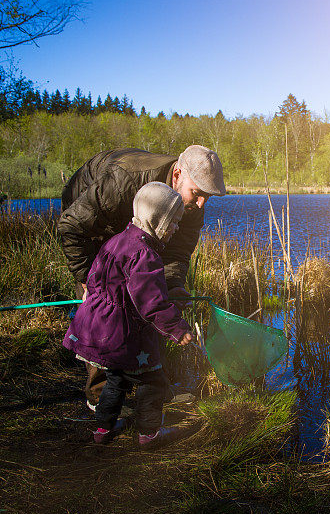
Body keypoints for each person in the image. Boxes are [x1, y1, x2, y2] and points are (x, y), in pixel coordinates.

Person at [58, 145, 225, 409]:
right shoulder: (123, 182)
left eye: (208, 196)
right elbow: (72, 227)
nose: (202, 202)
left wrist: (171, 287)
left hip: (139, 226)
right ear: (177, 174)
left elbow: (177, 253)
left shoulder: (193, 204)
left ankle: (154, 389)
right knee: (105, 309)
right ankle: (101, 398)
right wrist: (88, 279)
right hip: (92, 211)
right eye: (197, 193)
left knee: (153, 300)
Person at [63, 182, 195, 446]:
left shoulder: (118, 241)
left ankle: (102, 429)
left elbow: (95, 277)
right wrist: (177, 329)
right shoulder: (145, 254)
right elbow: (151, 304)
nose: (177, 228)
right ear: (157, 219)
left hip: (105, 329)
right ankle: (148, 434)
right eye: (173, 222)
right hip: (127, 333)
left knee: (116, 379)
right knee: (153, 382)